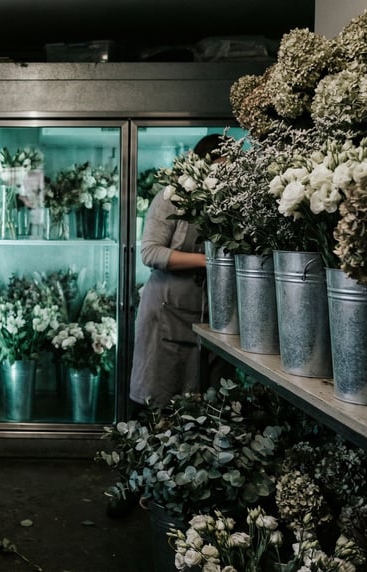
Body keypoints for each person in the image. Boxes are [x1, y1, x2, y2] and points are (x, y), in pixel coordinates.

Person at [106, 134, 225, 518]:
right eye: (221, 170)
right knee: (162, 408)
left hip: (209, 318)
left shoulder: (230, 204)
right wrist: (209, 263)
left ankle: (182, 494)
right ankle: (140, 490)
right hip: (167, 314)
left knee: (201, 408)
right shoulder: (171, 197)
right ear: (202, 167)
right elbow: (150, 252)